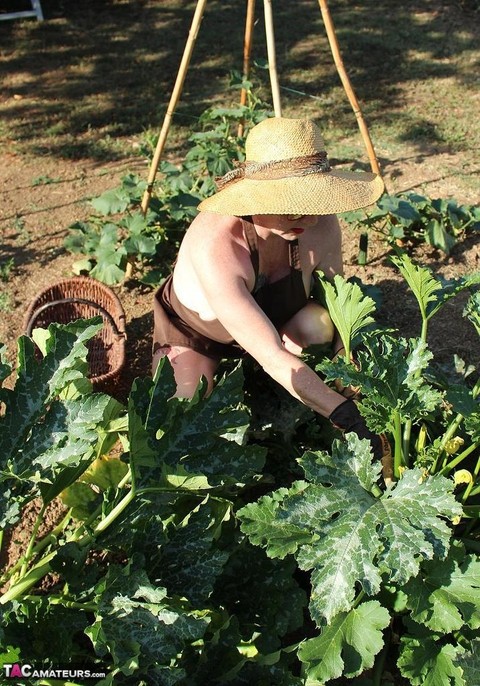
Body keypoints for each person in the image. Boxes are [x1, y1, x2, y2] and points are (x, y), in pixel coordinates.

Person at [152, 117, 389, 460]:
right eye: (288, 203)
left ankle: (297, 389)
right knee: (179, 423)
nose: (306, 217)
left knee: (319, 323)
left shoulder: (317, 222)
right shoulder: (217, 245)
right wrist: (346, 415)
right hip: (198, 333)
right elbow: (272, 356)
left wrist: (352, 381)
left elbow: (340, 310)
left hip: (277, 323)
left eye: (313, 202)